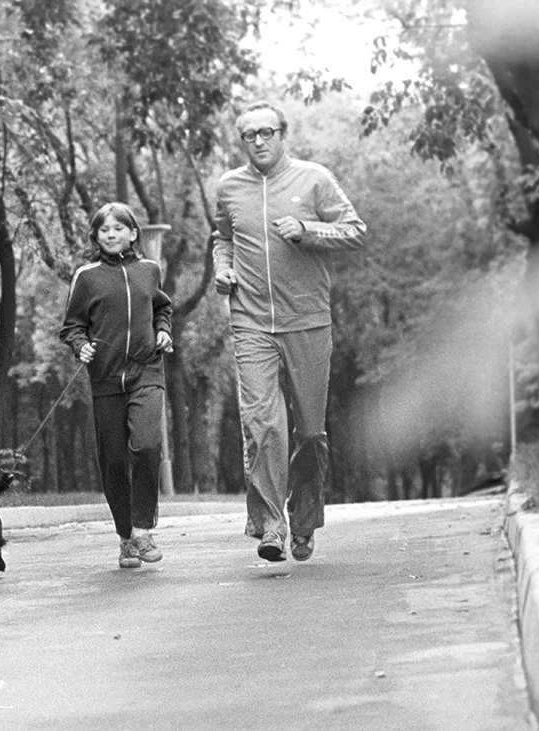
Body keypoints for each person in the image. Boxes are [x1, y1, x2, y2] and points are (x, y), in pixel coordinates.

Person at [212, 101, 366, 563]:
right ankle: (271, 526)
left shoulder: (314, 178)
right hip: (251, 319)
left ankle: (303, 520)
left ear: (283, 134)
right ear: (242, 140)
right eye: (249, 135)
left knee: (310, 434)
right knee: (263, 425)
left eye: (267, 132)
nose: (258, 141)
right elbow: (222, 238)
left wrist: (307, 229)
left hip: (307, 319)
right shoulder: (229, 186)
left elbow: (355, 231)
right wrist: (222, 269)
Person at [60, 202, 173, 569]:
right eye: (104, 229)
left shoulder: (149, 270)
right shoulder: (86, 277)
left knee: (147, 444)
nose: (111, 234)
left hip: (147, 371)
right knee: (113, 460)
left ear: (133, 233)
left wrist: (163, 331)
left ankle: (143, 529)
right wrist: (81, 345)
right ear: (95, 236)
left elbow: (162, 308)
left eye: (118, 228)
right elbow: (72, 326)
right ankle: (125, 537)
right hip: (106, 378)